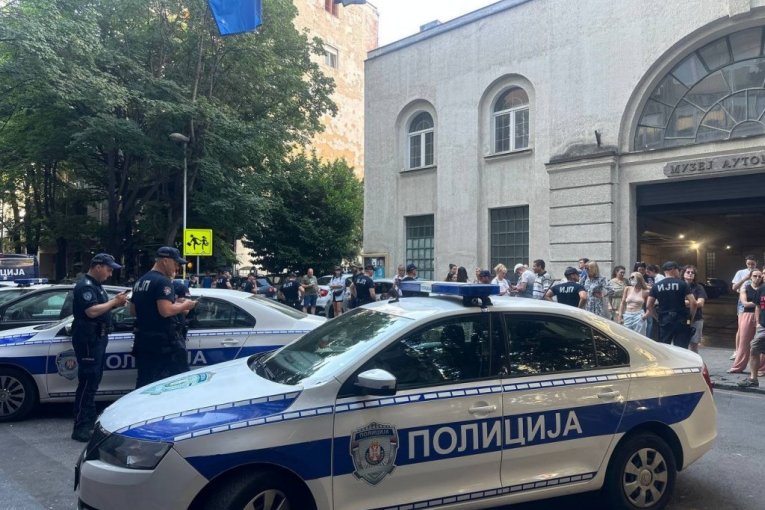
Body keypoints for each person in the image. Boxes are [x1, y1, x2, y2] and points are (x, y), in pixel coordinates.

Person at [71, 253, 128, 442]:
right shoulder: (85, 286)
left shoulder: (96, 286)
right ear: (98, 266)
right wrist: (113, 302)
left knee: (93, 381)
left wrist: (115, 304)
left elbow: (100, 309)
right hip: (89, 339)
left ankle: (88, 422)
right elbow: (91, 311)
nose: (110, 274)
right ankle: (81, 426)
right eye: (108, 269)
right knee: (88, 381)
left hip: (96, 338)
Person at [130, 247, 197, 388]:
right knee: (180, 383)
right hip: (164, 344)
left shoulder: (140, 281)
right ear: (165, 261)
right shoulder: (163, 281)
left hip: (144, 341)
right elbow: (165, 311)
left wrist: (173, 305)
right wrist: (185, 306)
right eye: (176, 263)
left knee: (145, 384)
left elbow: (133, 311)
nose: (177, 268)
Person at [646, 261, 697, 349]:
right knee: (681, 349)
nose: (679, 272)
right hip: (681, 320)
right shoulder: (683, 284)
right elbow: (694, 303)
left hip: (664, 320)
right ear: (673, 269)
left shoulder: (656, 286)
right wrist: (691, 318)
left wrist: (657, 318)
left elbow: (649, 305)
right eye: (678, 270)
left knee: (664, 348)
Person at [730, 269, 762, 373]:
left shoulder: (763, 288)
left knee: (761, 342)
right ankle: (738, 366)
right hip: (747, 315)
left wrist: (757, 303)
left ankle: (761, 368)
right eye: (755, 276)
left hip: (761, 316)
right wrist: (760, 303)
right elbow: (745, 303)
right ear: (750, 277)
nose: (757, 278)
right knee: (744, 342)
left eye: (759, 276)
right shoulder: (745, 287)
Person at [738, 270, 765, 388]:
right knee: (754, 348)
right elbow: (758, 306)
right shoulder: (762, 289)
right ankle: (753, 379)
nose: (763, 276)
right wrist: (758, 323)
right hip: (763, 327)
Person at [731, 255, 758, 361]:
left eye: (752, 264)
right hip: (743, 300)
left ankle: (752, 350)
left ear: (756, 263)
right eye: (748, 264)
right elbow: (734, 287)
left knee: (756, 327)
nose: (750, 266)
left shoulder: (758, 273)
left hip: (756, 300)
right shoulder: (740, 272)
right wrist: (745, 278)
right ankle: (737, 351)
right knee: (741, 328)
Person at [682, 265, 707, 353]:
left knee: (694, 345)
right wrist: (693, 302)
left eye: (692, 272)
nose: (690, 274)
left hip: (696, 319)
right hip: (681, 319)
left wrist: (684, 302)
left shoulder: (699, 287)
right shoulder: (679, 286)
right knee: (681, 344)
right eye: (688, 272)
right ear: (683, 273)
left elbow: (700, 303)